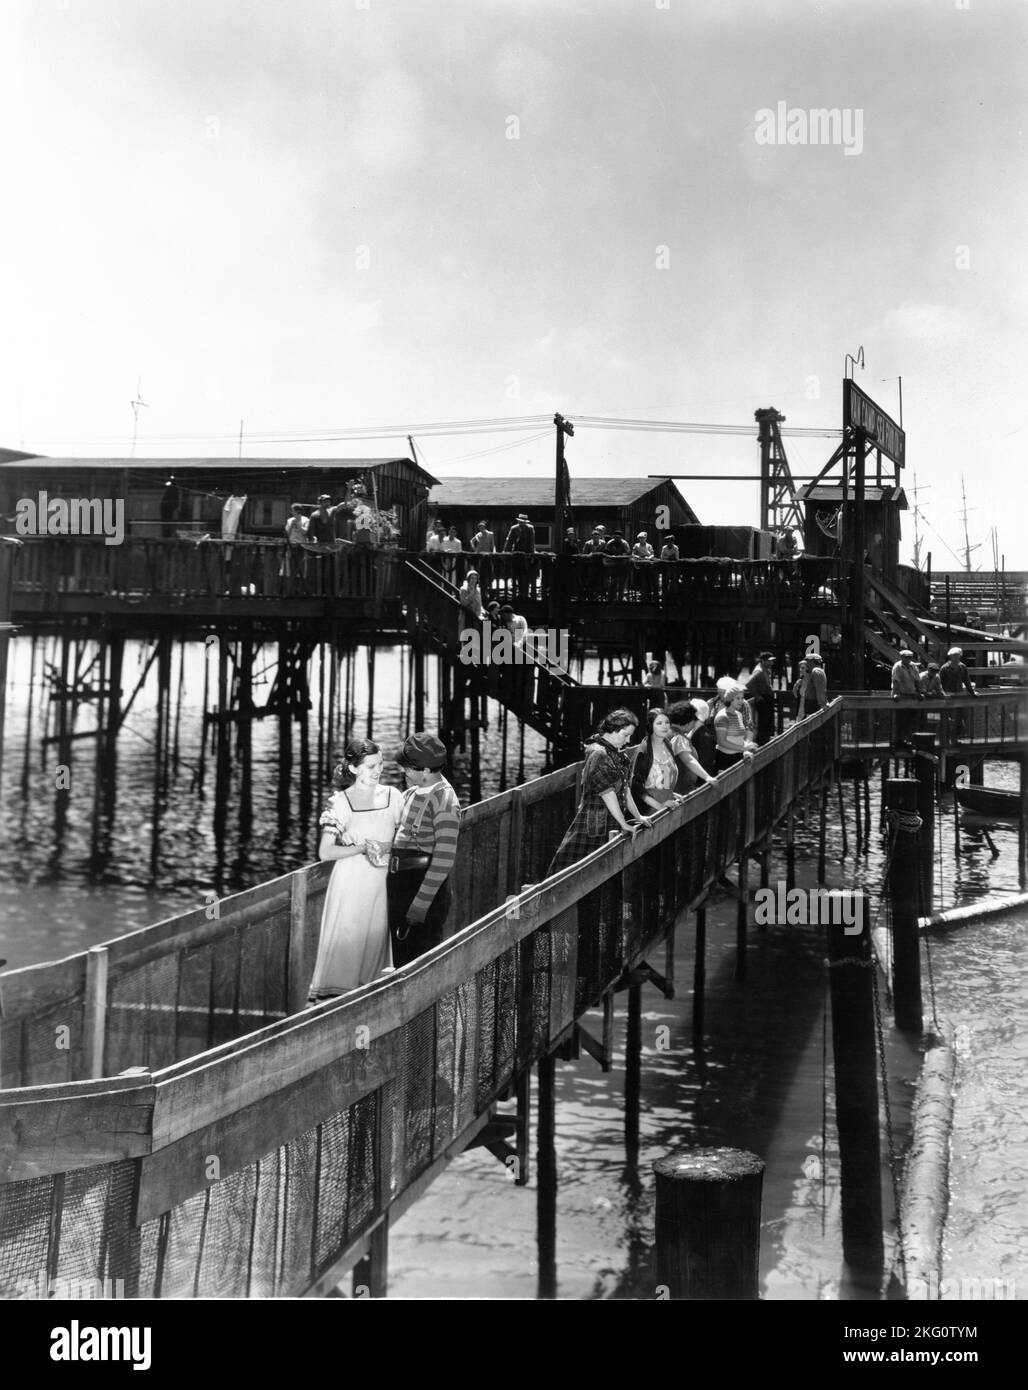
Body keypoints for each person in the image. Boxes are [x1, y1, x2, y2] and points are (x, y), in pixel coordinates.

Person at [308, 739, 404, 1001]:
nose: (378, 770)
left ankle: (366, 1009)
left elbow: (404, 840)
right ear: (353, 768)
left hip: (381, 885)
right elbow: (325, 852)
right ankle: (334, 1007)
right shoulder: (338, 802)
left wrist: (387, 846)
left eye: (381, 764)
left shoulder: (393, 797)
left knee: (374, 951)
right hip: (350, 886)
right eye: (371, 766)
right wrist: (362, 847)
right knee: (346, 951)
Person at [546, 709, 653, 875]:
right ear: (612, 730)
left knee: (599, 871)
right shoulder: (598, 753)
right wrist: (624, 823)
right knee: (569, 869)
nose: (628, 740)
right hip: (594, 822)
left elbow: (624, 789)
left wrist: (638, 817)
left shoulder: (613, 752)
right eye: (625, 735)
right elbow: (607, 793)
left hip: (611, 819)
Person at [388, 733, 461, 969]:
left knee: (421, 961)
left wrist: (420, 905)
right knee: (399, 957)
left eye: (409, 768)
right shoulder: (411, 793)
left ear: (427, 770)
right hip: (402, 885)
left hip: (423, 890)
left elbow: (444, 859)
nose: (404, 772)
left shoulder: (445, 800)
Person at [631, 708, 716, 812]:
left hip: (667, 807)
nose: (665, 726)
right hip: (650, 811)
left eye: (667, 722)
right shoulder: (645, 751)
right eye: (659, 723)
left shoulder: (667, 745)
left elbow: (663, 780)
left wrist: (670, 794)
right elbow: (636, 786)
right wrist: (659, 805)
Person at [667, 698, 719, 785]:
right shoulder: (678, 738)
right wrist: (707, 777)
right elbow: (688, 759)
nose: (694, 724)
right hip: (681, 787)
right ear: (688, 722)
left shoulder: (666, 732)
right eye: (693, 721)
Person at [714, 685, 758, 770]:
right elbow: (721, 741)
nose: (741, 701)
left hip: (738, 757)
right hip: (725, 758)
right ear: (730, 699)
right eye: (738, 698)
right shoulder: (722, 716)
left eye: (742, 698)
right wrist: (744, 748)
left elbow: (741, 737)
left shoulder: (739, 714)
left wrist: (748, 746)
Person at [890, 648, 924, 746]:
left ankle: (910, 740)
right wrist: (896, 694)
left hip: (912, 695)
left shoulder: (913, 666)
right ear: (902, 657)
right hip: (901, 695)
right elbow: (896, 681)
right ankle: (898, 741)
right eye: (906, 657)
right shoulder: (897, 666)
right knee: (900, 719)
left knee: (911, 719)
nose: (908, 659)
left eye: (909, 657)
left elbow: (917, 680)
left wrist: (919, 693)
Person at [744, 651, 776, 745]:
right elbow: (748, 684)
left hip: (766, 699)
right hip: (763, 700)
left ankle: (764, 742)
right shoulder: (759, 671)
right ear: (762, 661)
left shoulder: (764, 669)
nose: (771, 663)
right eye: (769, 661)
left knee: (767, 724)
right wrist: (757, 696)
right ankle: (762, 744)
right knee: (763, 724)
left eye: (772, 661)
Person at [504, 512, 536, 601]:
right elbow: (509, 541)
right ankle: (516, 594)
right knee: (515, 574)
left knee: (525, 575)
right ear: (518, 521)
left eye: (524, 522)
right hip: (516, 554)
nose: (522, 523)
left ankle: (525, 593)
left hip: (526, 555)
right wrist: (506, 552)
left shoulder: (530, 529)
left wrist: (531, 554)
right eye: (521, 521)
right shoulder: (514, 529)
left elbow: (531, 542)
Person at [279, 502, 309, 586]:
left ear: (297, 511)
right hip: (291, 546)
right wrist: (291, 525)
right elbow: (287, 534)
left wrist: (298, 525)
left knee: (301, 568)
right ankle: (291, 587)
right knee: (290, 568)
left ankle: (300, 587)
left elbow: (305, 532)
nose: (291, 512)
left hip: (301, 546)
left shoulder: (306, 520)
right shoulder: (289, 520)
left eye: (292, 510)